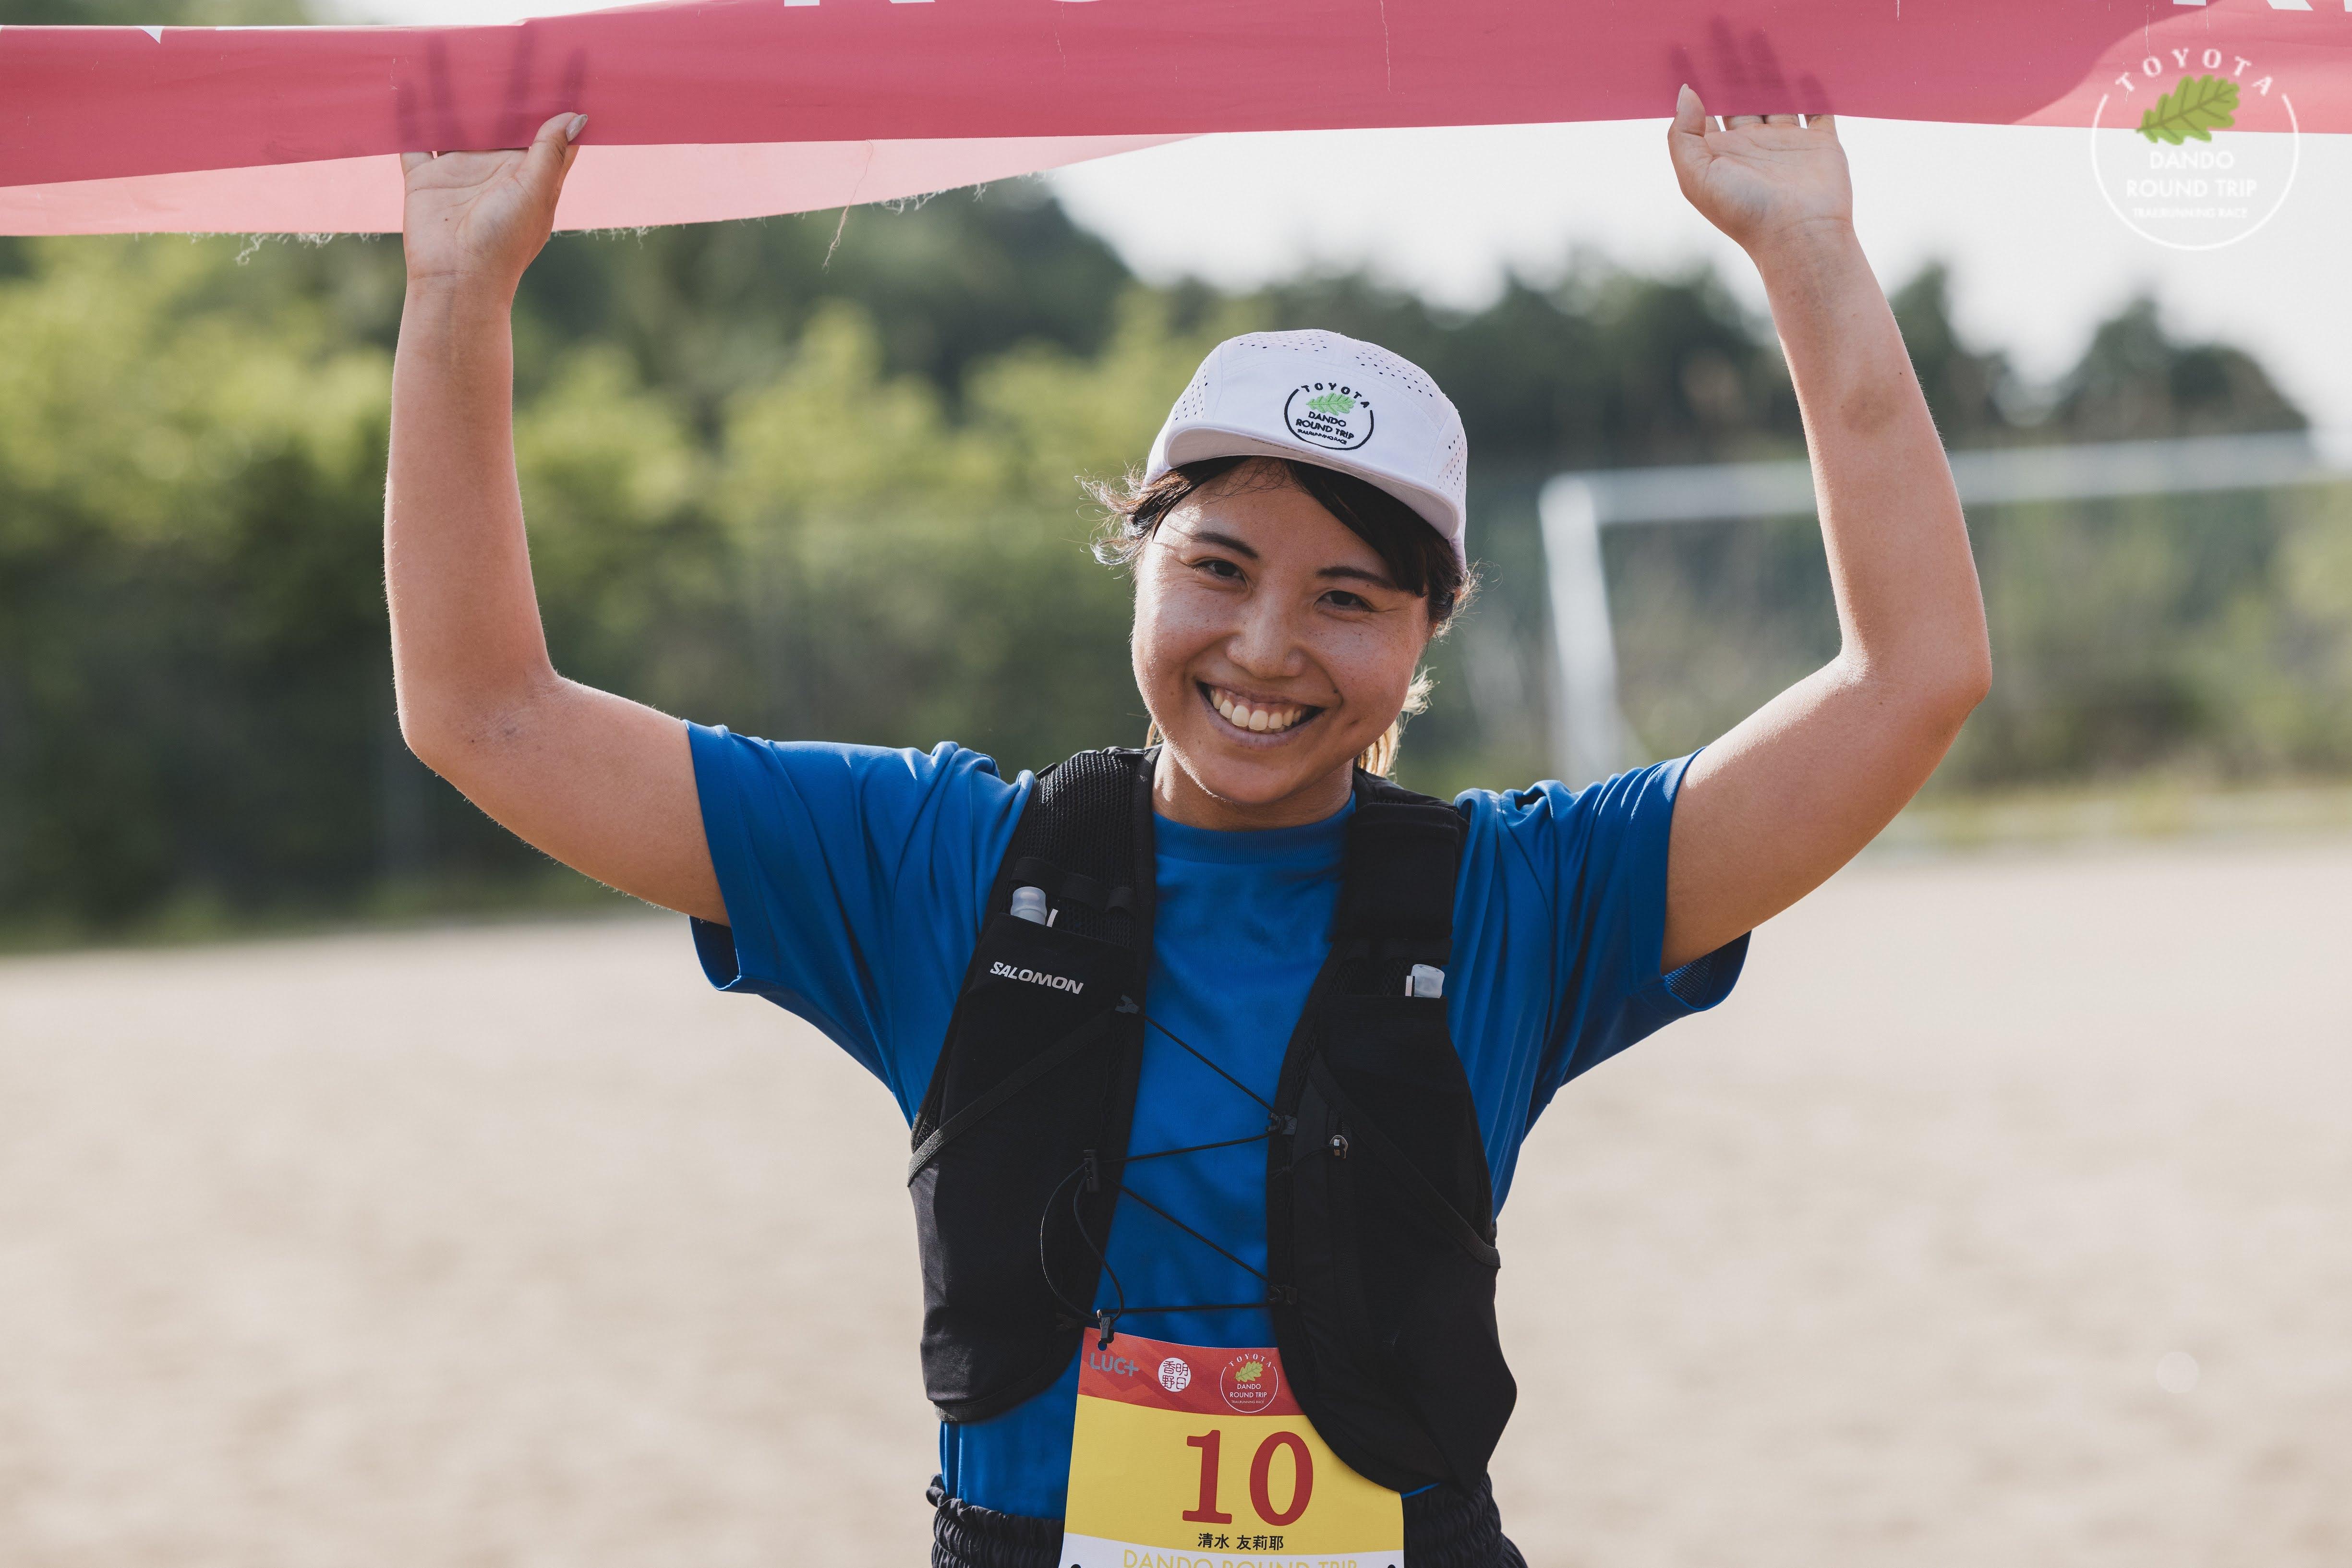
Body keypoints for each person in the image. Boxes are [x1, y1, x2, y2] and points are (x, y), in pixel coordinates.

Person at [387, 88, 1989, 1568]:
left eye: (1347, 598)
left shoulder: (1526, 898)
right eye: (1217, 567)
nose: (1266, 647)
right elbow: (486, 712)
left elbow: (1910, 679)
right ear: (1136, 557)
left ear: (1425, 634)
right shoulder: (937, 862)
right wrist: (459, 287)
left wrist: (1806, 247)